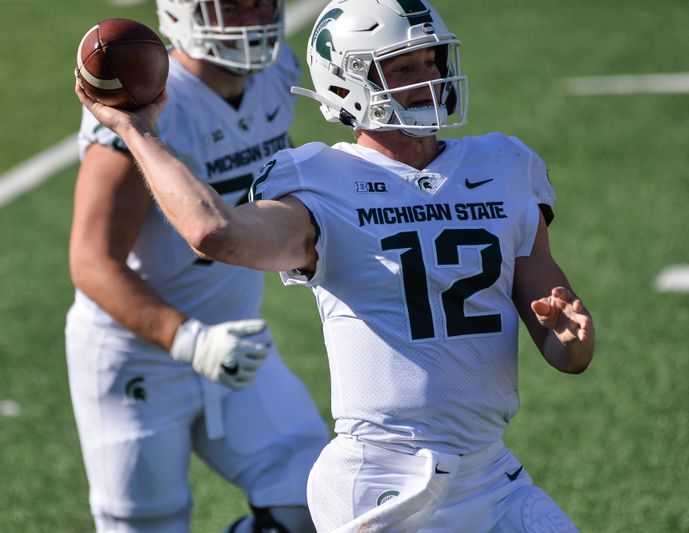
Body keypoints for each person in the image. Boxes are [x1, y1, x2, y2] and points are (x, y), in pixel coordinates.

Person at [75, 0, 597, 530]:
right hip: (385, 482)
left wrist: (571, 339)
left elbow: (565, 349)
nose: (428, 79)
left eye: (432, 61)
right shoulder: (321, 180)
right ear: (348, 84)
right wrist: (138, 129)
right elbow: (213, 232)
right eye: (402, 67)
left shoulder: (505, 165)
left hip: (492, 473)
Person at [66, 1, 330, 531]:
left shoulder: (276, 71)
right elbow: (92, 262)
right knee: (148, 524)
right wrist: (190, 341)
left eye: (260, 3)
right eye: (233, 6)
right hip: (136, 358)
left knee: (319, 501)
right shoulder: (144, 100)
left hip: (238, 344)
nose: (253, 18)